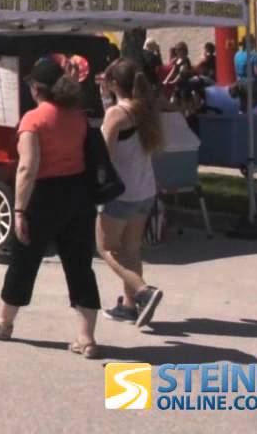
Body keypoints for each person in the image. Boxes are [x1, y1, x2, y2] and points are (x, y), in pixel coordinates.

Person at [0, 58, 101, 358]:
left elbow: (27, 168)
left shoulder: (33, 119)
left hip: (44, 196)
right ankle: (87, 338)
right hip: (79, 195)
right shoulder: (77, 116)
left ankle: (5, 322)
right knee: (80, 266)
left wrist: (18, 211)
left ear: (36, 89)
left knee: (24, 262)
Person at [96, 58, 166, 327]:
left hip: (120, 193)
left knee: (107, 250)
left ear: (114, 83)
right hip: (144, 190)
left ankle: (143, 292)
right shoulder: (143, 109)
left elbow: (107, 154)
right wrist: (105, 100)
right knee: (131, 250)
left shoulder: (116, 113)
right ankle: (128, 305)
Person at [233, 34, 257, 110]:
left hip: (239, 82)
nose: (255, 43)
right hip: (252, 84)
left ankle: (242, 114)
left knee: (243, 103)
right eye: (254, 41)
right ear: (250, 43)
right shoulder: (255, 55)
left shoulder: (237, 54)